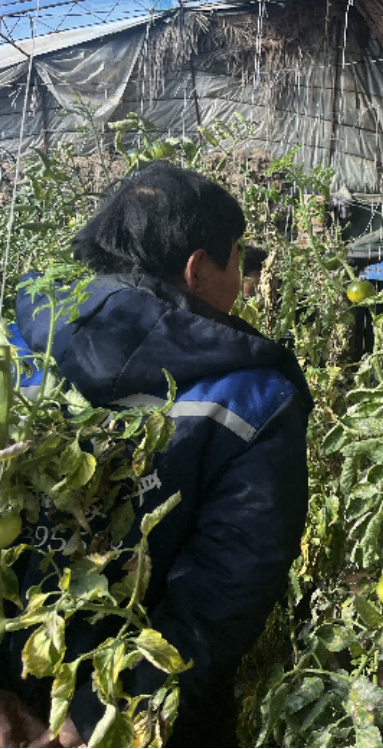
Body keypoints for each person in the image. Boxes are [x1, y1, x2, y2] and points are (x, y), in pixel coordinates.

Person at [1, 162, 312, 747]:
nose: (243, 281)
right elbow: (224, 592)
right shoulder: (253, 397)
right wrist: (97, 721)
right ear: (197, 269)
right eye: (236, 257)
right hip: (150, 716)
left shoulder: (17, 352)